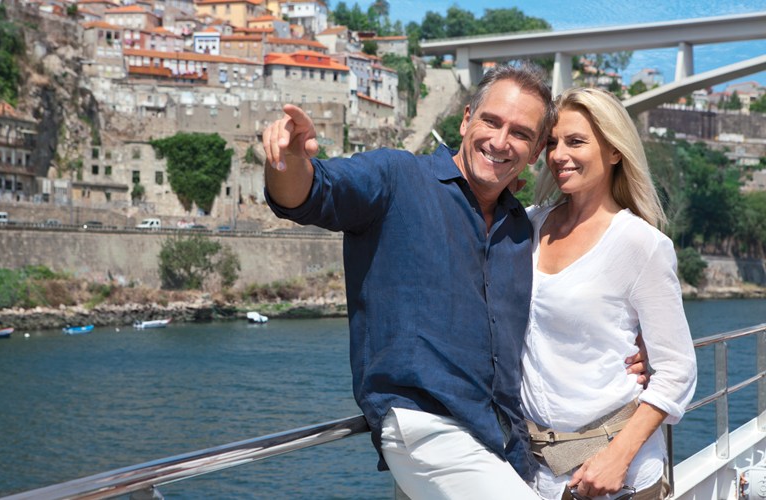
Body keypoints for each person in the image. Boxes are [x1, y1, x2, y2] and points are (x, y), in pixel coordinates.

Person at [262, 63, 556, 498]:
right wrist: (288, 161)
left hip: (502, 443)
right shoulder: (397, 178)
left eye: (520, 133)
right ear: (466, 118)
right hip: (425, 426)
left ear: (534, 153)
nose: (499, 141)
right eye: (491, 121)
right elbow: (312, 192)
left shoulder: (521, 228)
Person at [521, 87, 697, 500]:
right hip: (535, 472)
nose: (559, 154)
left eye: (576, 141)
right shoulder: (527, 226)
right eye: (551, 142)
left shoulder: (641, 244)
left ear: (615, 151)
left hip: (615, 478)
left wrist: (618, 457)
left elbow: (677, 370)